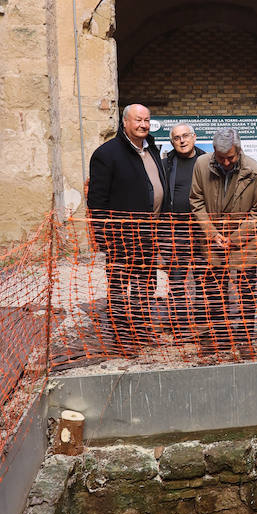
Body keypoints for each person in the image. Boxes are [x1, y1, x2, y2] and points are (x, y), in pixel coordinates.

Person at [86, 103, 170, 344]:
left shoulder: (151, 148)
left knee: (146, 284)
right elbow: (97, 201)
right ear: (125, 122)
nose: (143, 124)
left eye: (146, 120)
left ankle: (142, 328)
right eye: (137, 120)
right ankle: (121, 334)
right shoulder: (107, 154)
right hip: (120, 237)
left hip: (149, 234)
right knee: (120, 287)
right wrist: (102, 237)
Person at [190, 127, 257, 354]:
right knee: (215, 291)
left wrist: (234, 238)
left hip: (245, 242)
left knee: (246, 292)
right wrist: (212, 233)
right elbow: (196, 201)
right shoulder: (202, 165)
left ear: (239, 151)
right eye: (221, 158)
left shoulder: (256, 171)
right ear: (213, 151)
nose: (225, 163)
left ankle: (244, 338)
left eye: (231, 158)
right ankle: (220, 336)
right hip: (212, 240)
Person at [160, 123, 204, 341]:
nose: (182, 140)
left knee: (203, 278)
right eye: (177, 138)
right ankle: (178, 323)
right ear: (172, 142)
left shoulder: (207, 161)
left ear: (194, 137)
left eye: (186, 136)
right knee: (177, 279)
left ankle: (203, 322)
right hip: (175, 231)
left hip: (202, 231)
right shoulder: (166, 164)